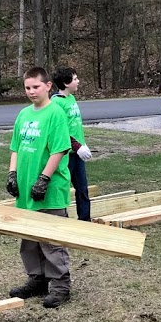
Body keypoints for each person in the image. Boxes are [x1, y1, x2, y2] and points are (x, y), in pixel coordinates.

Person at [7, 66, 74, 309]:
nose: (31, 91)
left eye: (36, 87)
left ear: (48, 86)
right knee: (29, 239)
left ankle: (60, 285)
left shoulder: (55, 114)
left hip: (49, 190)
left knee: (52, 240)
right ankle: (37, 279)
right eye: (27, 87)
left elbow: (59, 149)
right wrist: (13, 174)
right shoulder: (24, 114)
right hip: (26, 190)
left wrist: (44, 178)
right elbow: (15, 147)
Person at [51, 66, 93, 221]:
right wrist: (77, 146)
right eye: (75, 79)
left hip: (78, 153)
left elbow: (75, 127)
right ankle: (61, 218)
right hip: (65, 155)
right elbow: (60, 131)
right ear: (66, 83)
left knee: (82, 188)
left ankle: (85, 220)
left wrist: (83, 144)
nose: (78, 81)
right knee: (61, 187)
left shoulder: (71, 98)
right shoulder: (56, 103)